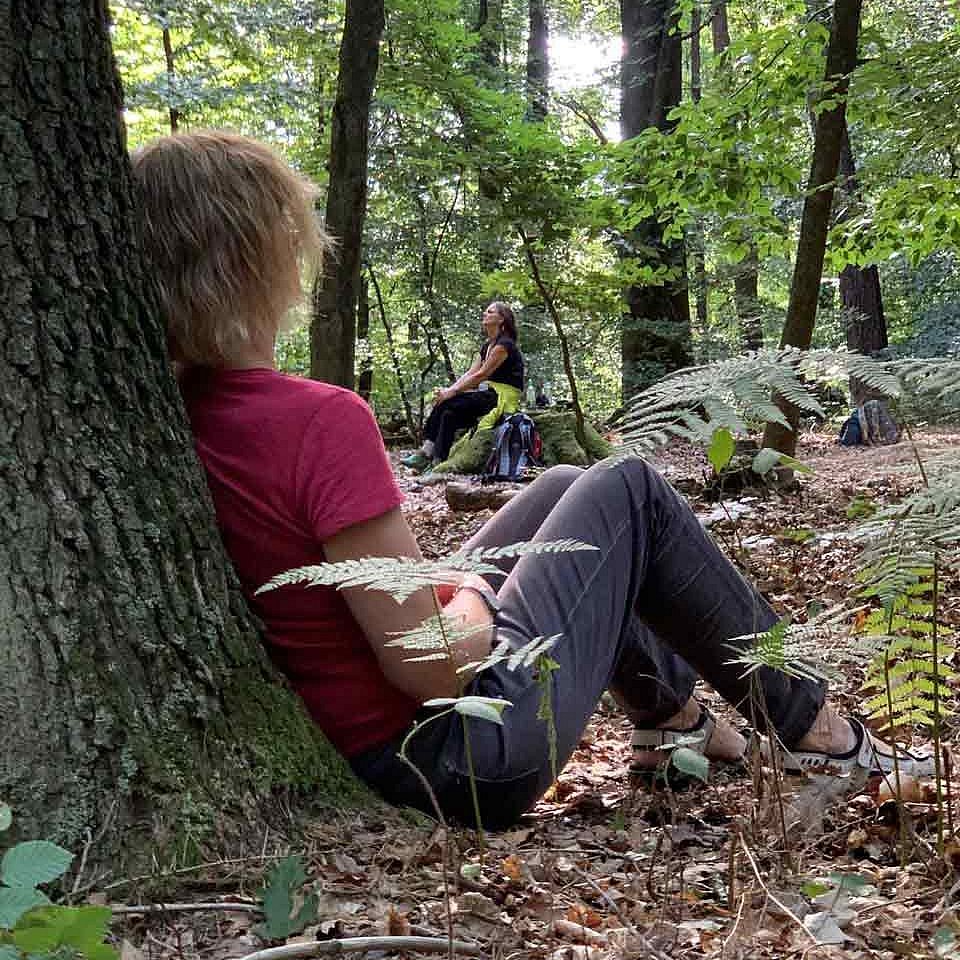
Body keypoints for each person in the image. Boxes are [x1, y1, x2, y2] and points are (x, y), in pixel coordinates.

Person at [132, 131, 935, 830]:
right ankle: (819, 732)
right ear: (260, 259)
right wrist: (478, 595)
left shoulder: (165, 418)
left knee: (559, 485)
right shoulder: (318, 420)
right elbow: (427, 663)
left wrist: (457, 585)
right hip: (458, 755)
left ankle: (673, 725)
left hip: (370, 743)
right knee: (628, 490)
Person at [402, 303, 525, 471]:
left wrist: (451, 393)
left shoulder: (504, 345)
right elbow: (470, 373)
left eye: (490, 312)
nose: (484, 313)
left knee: (448, 403)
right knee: (448, 413)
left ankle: (428, 456)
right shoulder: (487, 346)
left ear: (501, 319)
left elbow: (481, 375)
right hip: (488, 394)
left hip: (501, 398)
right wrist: (447, 391)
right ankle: (435, 460)